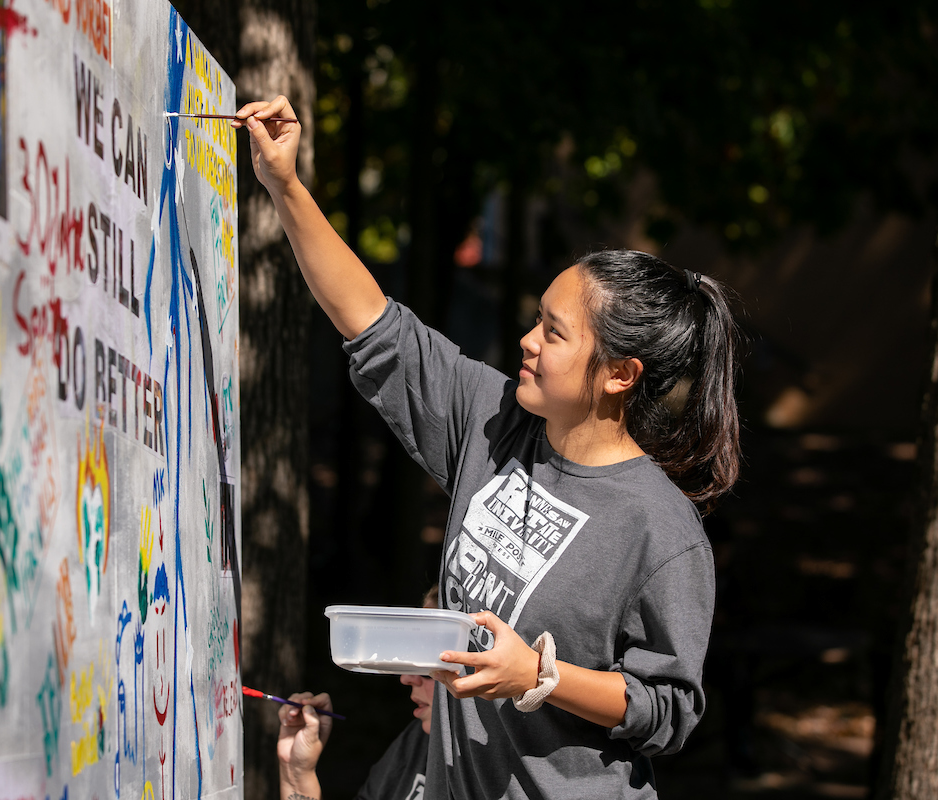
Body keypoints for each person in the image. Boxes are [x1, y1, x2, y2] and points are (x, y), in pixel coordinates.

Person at [235, 96, 741, 799]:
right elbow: (374, 327)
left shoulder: (661, 531)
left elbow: (669, 710)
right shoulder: (494, 418)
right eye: (538, 319)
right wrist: (284, 185)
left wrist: (538, 678)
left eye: (556, 333)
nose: (529, 341)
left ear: (621, 376)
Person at [278, 587, 441, 800]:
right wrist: (297, 775)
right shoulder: (417, 742)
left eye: (429, 658)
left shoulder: (489, 766)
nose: (407, 677)